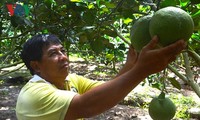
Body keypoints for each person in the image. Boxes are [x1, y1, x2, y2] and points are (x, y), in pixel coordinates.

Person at [16, 34, 186, 120]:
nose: (63, 57)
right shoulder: (34, 95)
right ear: (36, 65)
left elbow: (108, 91)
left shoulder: (71, 81)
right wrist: (142, 70)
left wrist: (132, 65)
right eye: (54, 53)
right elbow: (87, 105)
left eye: (63, 51)